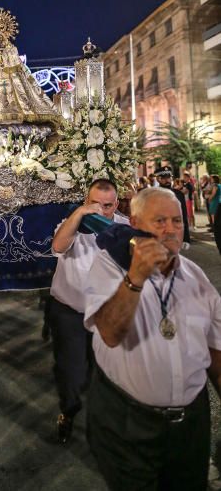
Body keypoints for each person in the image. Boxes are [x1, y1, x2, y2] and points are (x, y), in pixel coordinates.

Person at [85, 187, 221, 490]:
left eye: (176, 221)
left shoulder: (196, 277)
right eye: (159, 221)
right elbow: (109, 332)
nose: (170, 230)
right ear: (135, 222)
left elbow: (215, 351)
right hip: (128, 425)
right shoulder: (108, 266)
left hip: (191, 426)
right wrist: (135, 278)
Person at [49, 179, 129, 444]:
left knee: (104, 372)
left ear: (115, 204)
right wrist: (81, 214)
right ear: (86, 202)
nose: (101, 210)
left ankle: (101, 423)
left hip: (106, 313)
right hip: (70, 310)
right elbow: (59, 246)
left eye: (107, 206)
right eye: (95, 204)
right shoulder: (72, 222)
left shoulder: (125, 227)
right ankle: (68, 411)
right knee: (70, 370)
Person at [153, 166, 190, 244]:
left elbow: (184, 216)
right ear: (158, 179)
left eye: (169, 177)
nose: (167, 180)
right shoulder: (154, 195)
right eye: (164, 178)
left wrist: (186, 238)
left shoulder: (179, 194)